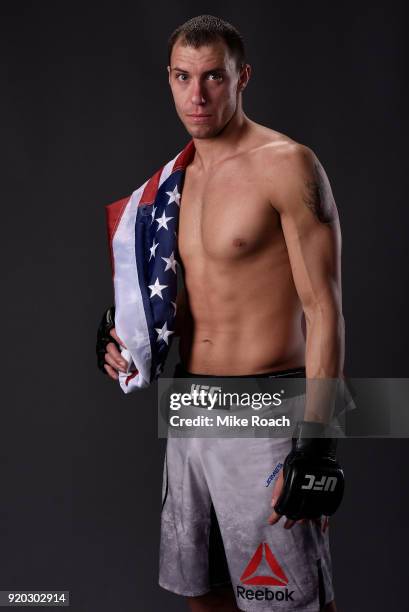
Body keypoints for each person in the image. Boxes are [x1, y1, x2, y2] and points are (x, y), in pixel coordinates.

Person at [99, 14, 344, 612]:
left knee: (287, 601)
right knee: (202, 597)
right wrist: (118, 330)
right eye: (184, 77)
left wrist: (317, 446)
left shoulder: (286, 164)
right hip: (189, 410)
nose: (197, 94)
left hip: (265, 413)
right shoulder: (173, 185)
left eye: (214, 77)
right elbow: (177, 300)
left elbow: (324, 310)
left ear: (242, 78)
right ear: (170, 80)